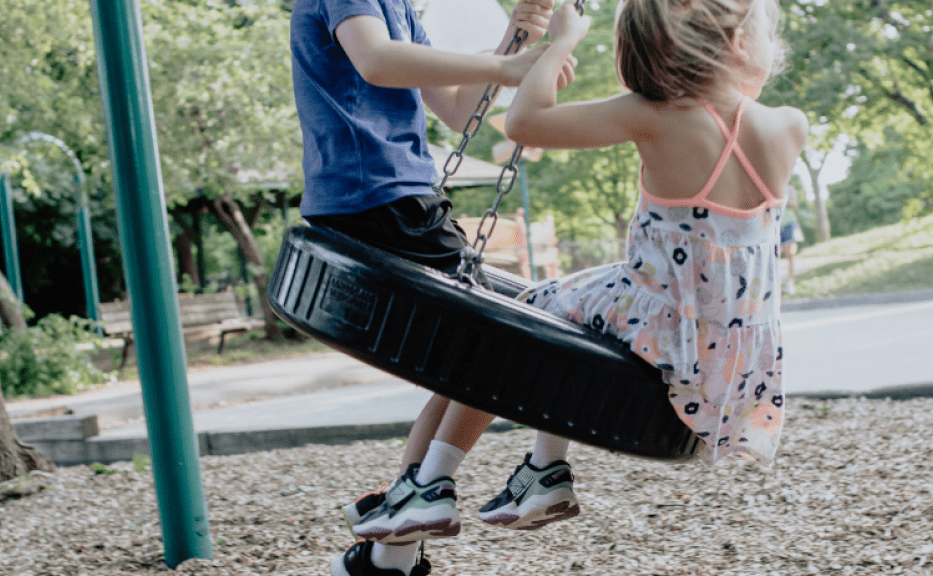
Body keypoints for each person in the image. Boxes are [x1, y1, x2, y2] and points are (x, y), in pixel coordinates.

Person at [350, 0, 807, 562]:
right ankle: (542, 469)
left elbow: (523, 123)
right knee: (567, 312)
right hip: (733, 358)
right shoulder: (788, 124)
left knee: (523, 316)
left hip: (660, 320)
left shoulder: (654, 115)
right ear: (738, 43)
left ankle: (435, 482)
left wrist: (562, 41)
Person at [288, 0, 576, 574]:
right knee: (510, 332)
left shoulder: (400, 7)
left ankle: (389, 556)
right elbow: (375, 60)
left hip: (401, 200)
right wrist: (505, 70)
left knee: (469, 361)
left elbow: (453, 108)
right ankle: (543, 470)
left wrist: (514, 42)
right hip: (377, 199)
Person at [780, 185, 805, 294]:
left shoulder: (789, 188)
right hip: (773, 225)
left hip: (788, 223)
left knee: (789, 254)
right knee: (773, 255)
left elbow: (794, 204)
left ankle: (790, 283)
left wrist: (782, 198)